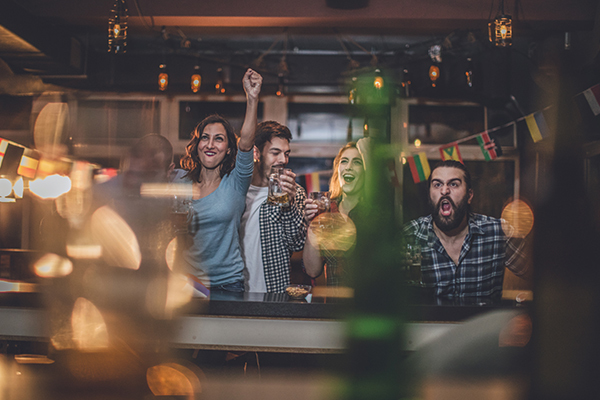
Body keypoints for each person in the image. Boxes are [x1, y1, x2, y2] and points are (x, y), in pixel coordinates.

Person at [172, 68, 262, 292]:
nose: (210, 144)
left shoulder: (236, 181)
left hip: (228, 284)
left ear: (229, 149)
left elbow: (247, 143)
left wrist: (252, 98)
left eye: (219, 139)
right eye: (205, 138)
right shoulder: (180, 182)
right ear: (197, 144)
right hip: (187, 284)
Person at [403, 160, 529, 299]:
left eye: (454, 184)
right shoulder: (409, 237)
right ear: (430, 195)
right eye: (437, 184)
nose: (444, 191)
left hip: (485, 321)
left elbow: (545, 274)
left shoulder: (498, 233)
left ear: (469, 196)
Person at [239, 121, 307, 293]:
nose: (283, 160)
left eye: (286, 154)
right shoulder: (237, 191)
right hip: (234, 290)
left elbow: (297, 244)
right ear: (256, 153)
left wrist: (289, 204)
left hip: (275, 292)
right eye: (275, 153)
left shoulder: (296, 192)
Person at [302, 140, 367, 286]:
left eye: (357, 162)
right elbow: (312, 270)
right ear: (338, 170)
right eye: (344, 161)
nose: (349, 167)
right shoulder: (327, 210)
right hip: (333, 305)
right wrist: (311, 226)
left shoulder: (373, 212)